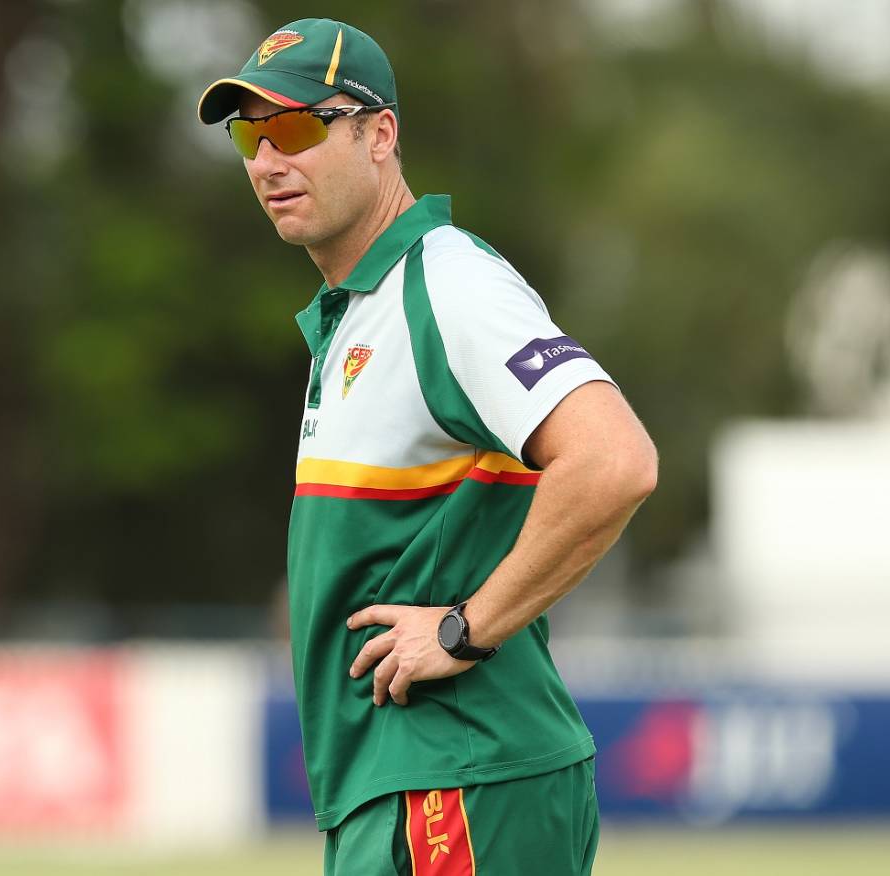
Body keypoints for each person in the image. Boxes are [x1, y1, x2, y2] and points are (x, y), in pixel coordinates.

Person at [198, 18, 657, 876]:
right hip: (404, 783)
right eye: (249, 136)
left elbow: (614, 459)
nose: (267, 161)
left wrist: (460, 628)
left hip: (456, 783)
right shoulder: (357, 313)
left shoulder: (445, 284)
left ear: (381, 135)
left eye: (296, 127)